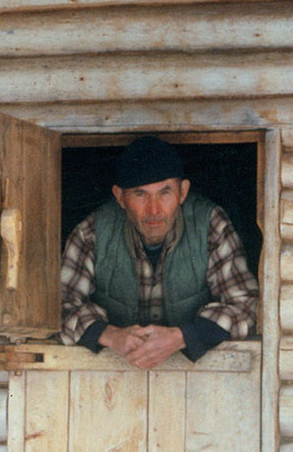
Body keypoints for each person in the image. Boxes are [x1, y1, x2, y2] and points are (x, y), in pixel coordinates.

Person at [60, 136, 258, 369]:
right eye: (140, 194)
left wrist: (181, 337)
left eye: (165, 192)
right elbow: (58, 307)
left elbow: (247, 307)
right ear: (120, 197)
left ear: (183, 192)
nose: (154, 210)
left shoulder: (211, 226)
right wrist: (110, 335)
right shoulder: (92, 233)